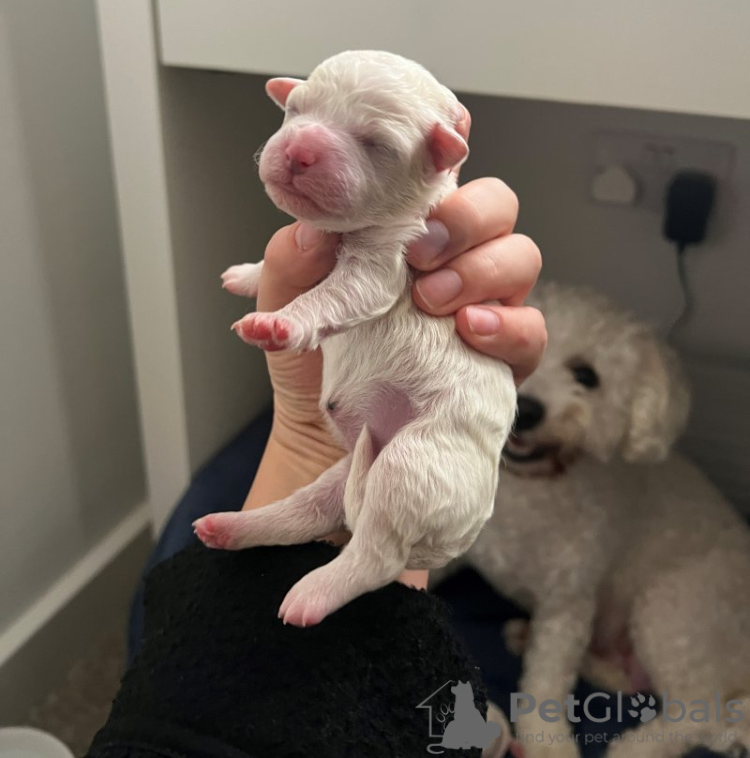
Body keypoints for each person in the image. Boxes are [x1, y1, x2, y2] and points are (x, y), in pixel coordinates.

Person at [88, 105, 546, 758]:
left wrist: (298, 318)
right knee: (337, 485)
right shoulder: (361, 230)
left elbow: (366, 287)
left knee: (383, 473)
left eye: (372, 141)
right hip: (370, 433)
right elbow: (341, 273)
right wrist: (273, 281)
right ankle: (265, 530)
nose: (303, 142)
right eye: (301, 109)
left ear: (438, 157)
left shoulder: (406, 236)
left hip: (424, 441)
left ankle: (365, 565)